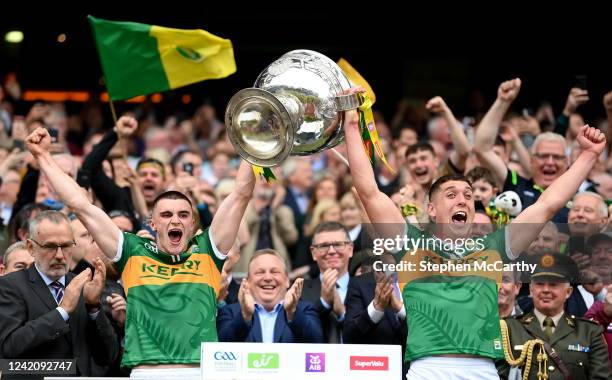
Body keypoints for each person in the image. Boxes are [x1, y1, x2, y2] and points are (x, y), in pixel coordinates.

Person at [342, 86, 607, 379]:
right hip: (427, 368)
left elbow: (548, 204)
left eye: (468, 195)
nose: (463, 200)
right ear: (431, 209)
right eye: (452, 194)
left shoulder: (497, 245)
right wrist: (352, 124)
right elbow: (368, 190)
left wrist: (588, 156)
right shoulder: (410, 242)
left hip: (483, 370)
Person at [23, 126, 255, 379]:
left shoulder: (208, 251)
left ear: (192, 223)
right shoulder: (133, 250)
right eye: (166, 215)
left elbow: (242, 193)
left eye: (183, 215)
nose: (175, 220)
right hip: (146, 371)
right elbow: (80, 205)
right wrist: (43, 156)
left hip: (199, 371)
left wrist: (257, 142)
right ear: (153, 224)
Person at [0, 211, 119, 377]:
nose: (59, 255)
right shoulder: (10, 285)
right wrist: (61, 312)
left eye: (66, 246)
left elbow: (108, 356)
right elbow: (8, 348)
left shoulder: (83, 284)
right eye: (49, 246)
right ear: (30, 247)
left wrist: (93, 307)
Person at [499, 254, 612, 379]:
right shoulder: (508, 328)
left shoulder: (589, 332)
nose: (546, 290)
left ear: (568, 292)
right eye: (540, 284)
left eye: (553, 285)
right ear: (531, 290)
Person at [217, 249, 323, 343]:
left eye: (275, 272)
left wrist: (292, 312)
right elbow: (219, 349)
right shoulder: (230, 312)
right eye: (259, 272)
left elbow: (317, 345)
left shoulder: (305, 310)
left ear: (287, 280)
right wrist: (245, 315)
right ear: (248, 281)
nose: (268, 277)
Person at [301, 221, 353, 343]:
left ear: (350, 249)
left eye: (338, 244)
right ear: (313, 253)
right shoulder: (300, 291)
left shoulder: (369, 289)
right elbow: (300, 331)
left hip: (361, 361)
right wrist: (323, 302)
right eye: (324, 246)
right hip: (314, 361)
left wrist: (342, 314)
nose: (331, 251)